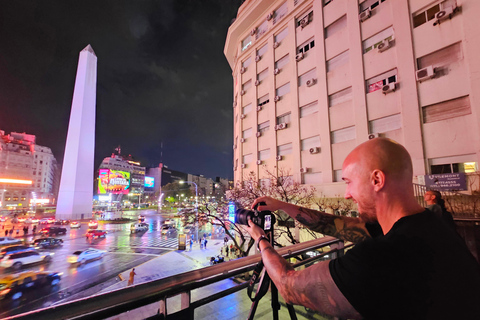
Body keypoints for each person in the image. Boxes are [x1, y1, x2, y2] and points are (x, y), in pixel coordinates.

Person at [245, 138, 480, 319]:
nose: (347, 194)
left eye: (348, 182)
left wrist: (260, 239)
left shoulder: (383, 257)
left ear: (377, 180)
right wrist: (282, 206)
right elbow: (340, 226)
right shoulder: (432, 225)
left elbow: (288, 286)